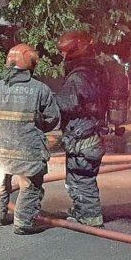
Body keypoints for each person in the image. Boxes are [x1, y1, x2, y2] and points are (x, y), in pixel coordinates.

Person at [0, 44, 60, 235]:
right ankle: (23, 223)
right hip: (29, 150)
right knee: (29, 185)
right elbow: (53, 119)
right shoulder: (40, 89)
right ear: (31, 63)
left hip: (0, 148)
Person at [56, 31, 108, 228]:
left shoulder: (77, 78)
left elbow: (63, 105)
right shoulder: (97, 72)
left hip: (81, 137)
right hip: (93, 133)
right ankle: (82, 210)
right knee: (82, 176)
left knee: (81, 177)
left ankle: (90, 217)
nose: (62, 57)